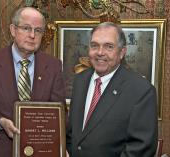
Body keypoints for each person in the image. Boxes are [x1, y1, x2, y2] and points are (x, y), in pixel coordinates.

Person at [0, 7, 66, 157]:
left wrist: (59, 147)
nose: (32, 35)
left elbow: (59, 115)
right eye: (26, 28)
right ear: (13, 30)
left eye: (38, 30)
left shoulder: (53, 66)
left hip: (42, 153)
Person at [66, 22, 158, 157]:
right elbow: (73, 133)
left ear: (122, 52)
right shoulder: (80, 80)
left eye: (109, 46)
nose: (100, 52)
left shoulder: (141, 91)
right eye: (94, 45)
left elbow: (140, 148)